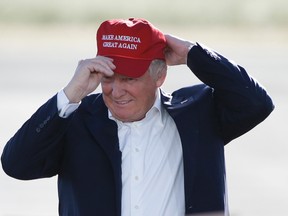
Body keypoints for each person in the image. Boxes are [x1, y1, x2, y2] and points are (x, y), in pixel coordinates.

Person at [1, 18, 274, 216]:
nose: (116, 91)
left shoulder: (198, 113)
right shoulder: (76, 118)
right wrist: (70, 94)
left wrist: (195, 55)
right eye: (108, 77)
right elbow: (16, 165)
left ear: (160, 75)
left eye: (129, 78)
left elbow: (257, 103)